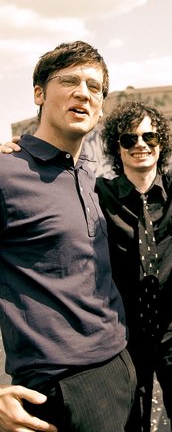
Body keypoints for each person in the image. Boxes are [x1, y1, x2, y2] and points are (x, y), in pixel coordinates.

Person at [0, 41, 136, 431]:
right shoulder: (6, 172)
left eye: (94, 87)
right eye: (69, 81)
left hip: (120, 364)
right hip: (59, 386)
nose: (83, 93)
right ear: (39, 94)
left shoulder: (86, 174)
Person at [97, 100, 172, 431]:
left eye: (149, 136)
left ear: (162, 142)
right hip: (125, 334)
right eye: (129, 139)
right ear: (117, 147)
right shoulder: (99, 194)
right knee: (132, 422)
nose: (140, 145)